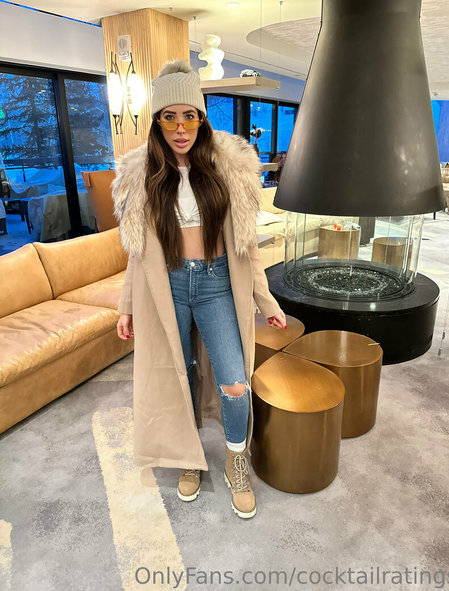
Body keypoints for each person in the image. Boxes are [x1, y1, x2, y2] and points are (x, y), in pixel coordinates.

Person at [112, 59, 286, 520]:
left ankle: (235, 459)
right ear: (157, 121)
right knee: (178, 374)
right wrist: (126, 306)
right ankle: (188, 454)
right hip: (165, 285)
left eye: (189, 116)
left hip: (215, 285)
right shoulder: (142, 174)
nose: (180, 128)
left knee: (234, 382)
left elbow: (246, 247)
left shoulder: (228, 169)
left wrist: (265, 299)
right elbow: (136, 251)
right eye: (169, 117)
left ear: (201, 118)